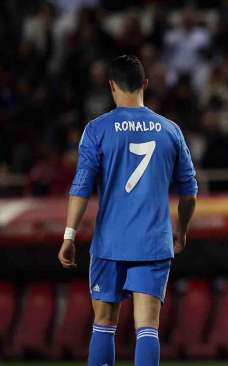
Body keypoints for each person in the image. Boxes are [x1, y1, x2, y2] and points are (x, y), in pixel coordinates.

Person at [57, 55, 198, 366]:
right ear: (145, 84)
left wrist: (69, 235)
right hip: (153, 241)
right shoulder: (170, 130)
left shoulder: (97, 129)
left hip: (110, 242)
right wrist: (182, 231)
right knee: (147, 327)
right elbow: (189, 192)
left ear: (111, 86)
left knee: (104, 323)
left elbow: (81, 186)